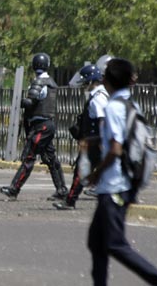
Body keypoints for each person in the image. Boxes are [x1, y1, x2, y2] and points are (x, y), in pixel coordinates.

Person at [85, 58, 157, 286]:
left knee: (114, 244)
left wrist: (96, 172)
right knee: (96, 242)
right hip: (122, 181)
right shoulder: (130, 104)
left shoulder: (113, 107)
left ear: (106, 80)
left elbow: (115, 148)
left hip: (115, 184)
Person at [0, 53, 67, 201]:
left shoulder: (39, 82)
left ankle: (14, 189)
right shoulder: (52, 82)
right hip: (47, 125)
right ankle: (61, 190)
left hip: (41, 126)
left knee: (29, 157)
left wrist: (20, 101)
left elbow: (31, 102)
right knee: (50, 158)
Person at [53, 64, 108, 210]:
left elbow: (103, 120)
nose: (83, 85)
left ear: (91, 81)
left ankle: (70, 201)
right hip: (96, 141)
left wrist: (102, 141)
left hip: (95, 142)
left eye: (85, 82)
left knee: (81, 171)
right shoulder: (99, 95)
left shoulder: (98, 98)